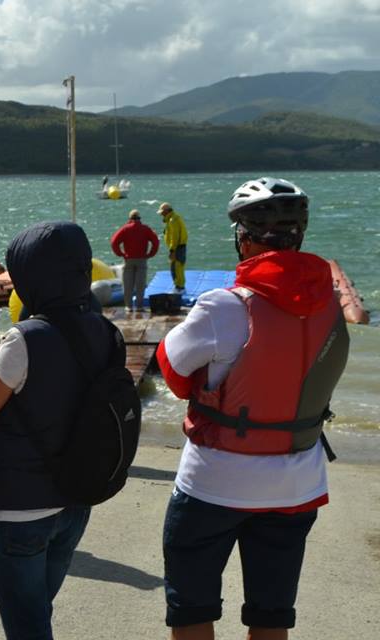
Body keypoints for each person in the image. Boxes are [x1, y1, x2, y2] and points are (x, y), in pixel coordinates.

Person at [156, 177, 349, 640]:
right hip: (296, 483)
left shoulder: (224, 306)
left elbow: (174, 372)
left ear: (242, 239)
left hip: (214, 483)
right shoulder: (331, 303)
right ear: (299, 235)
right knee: (271, 616)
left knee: (192, 610)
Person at [0, 221, 123, 640]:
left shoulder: (24, 339)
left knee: (28, 627)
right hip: (77, 500)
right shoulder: (108, 332)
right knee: (37, 613)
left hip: (17, 511)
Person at [110, 209, 160, 311]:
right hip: (142, 259)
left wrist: (120, 253)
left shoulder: (125, 229)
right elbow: (155, 241)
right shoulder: (145, 229)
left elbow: (114, 242)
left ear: (130, 218)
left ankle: (128, 306)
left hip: (128, 259)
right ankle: (139, 306)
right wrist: (150, 254)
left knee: (127, 284)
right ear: (139, 218)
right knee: (140, 284)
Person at [159, 202, 188, 291]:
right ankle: (180, 286)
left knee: (176, 268)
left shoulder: (172, 220)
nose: (161, 214)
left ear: (166, 211)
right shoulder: (174, 218)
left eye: (162, 212)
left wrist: (172, 250)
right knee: (178, 267)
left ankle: (179, 287)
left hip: (177, 247)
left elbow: (174, 237)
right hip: (179, 247)